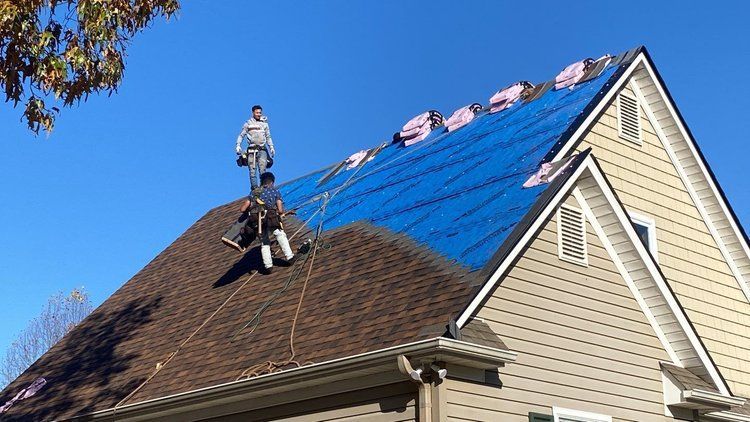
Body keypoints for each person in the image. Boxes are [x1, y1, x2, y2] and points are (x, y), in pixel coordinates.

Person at [240, 172, 295, 273]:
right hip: (269, 217)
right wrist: (280, 212)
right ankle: (290, 257)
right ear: (272, 182)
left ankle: (268, 266)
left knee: (264, 242)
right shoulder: (274, 191)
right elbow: (280, 209)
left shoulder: (254, 193)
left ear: (262, 182)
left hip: (256, 221)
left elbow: (242, 209)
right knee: (280, 234)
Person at [236, 105, 276, 190]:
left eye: (260, 113)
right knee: (252, 170)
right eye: (257, 112)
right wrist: (238, 145)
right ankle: (254, 188)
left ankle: (263, 188)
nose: (259, 114)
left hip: (262, 149)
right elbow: (241, 135)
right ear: (253, 113)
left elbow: (268, 137)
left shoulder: (264, 124)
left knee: (262, 169)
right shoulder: (248, 123)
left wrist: (271, 147)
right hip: (252, 149)